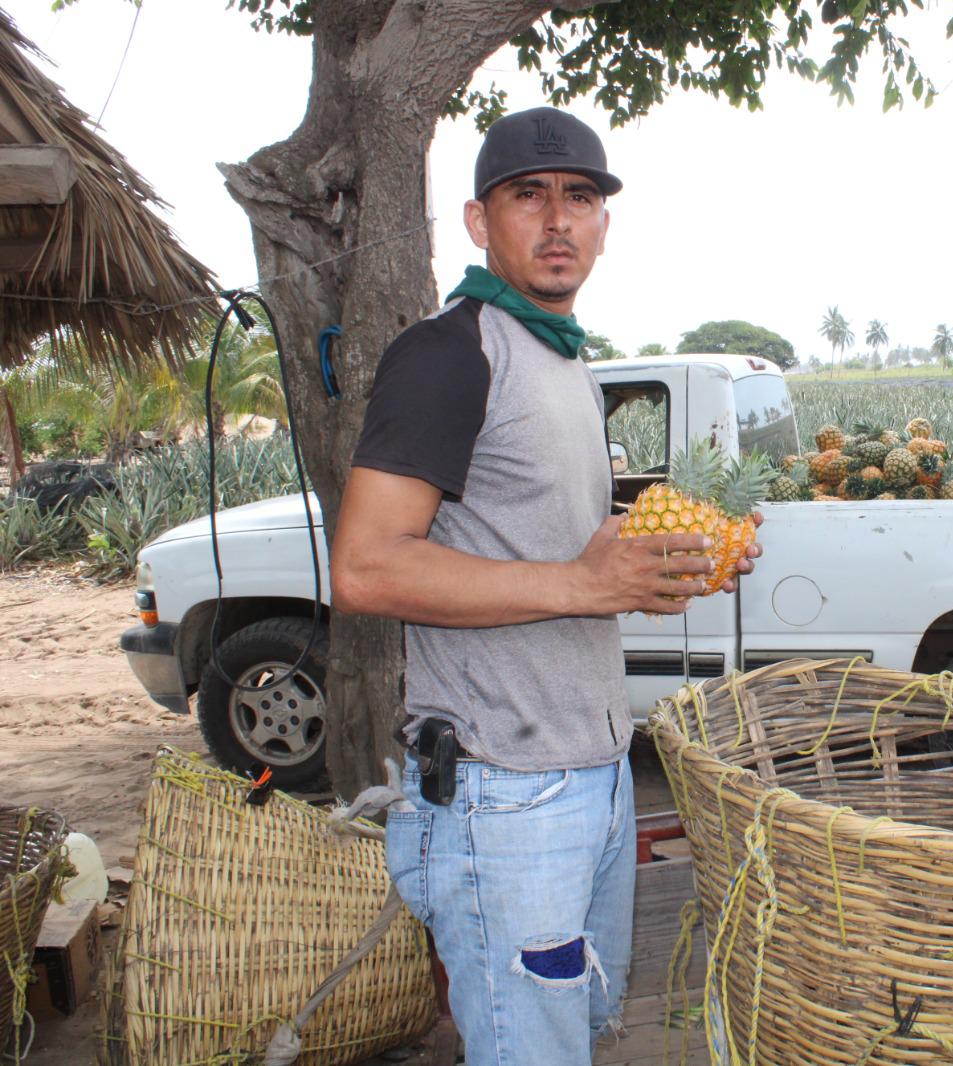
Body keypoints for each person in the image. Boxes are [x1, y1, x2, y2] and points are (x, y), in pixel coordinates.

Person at [330, 107, 757, 1065]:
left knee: (572, 1034)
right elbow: (365, 567)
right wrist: (578, 580)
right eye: (529, 197)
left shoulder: (563, 359)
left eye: (581, 197)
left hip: (593, 771)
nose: (558, 219)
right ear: (480, 223)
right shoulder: (449, 353)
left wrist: (682, 555)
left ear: (605, 224)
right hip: (501, 790)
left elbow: (568, 557)